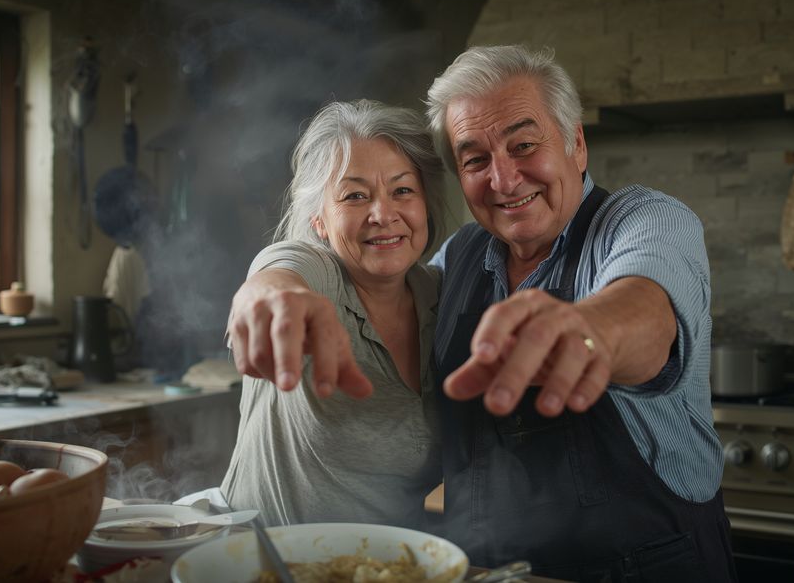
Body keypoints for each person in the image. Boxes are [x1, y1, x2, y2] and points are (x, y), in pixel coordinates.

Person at [229, 46, 736, 582]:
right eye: (475, 159)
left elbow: (645, 310)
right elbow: (299, 262)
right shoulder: (457, 261)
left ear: (576, 144)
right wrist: (269, 284)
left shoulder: (642, 221)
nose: (504, 178)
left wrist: (593, 332)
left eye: (524, 145)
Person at [220, 99, 445, 529]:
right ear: (320, 221)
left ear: (425, 207)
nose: (383, 215)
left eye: (402, 190)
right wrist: (270, 298)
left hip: (386, 570)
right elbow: (277, 274)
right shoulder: (317, 272)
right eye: (355, 196)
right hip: (264, 566)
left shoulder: (442, 296)